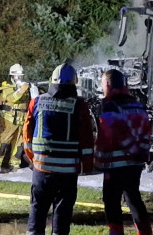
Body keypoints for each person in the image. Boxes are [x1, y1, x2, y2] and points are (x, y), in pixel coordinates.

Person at [23, 63, 94, 235]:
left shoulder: (36, 102)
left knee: (37, 210)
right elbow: (86, 138)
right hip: (67, 172)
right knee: (62, 216)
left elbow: (27, 134)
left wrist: (33, 158)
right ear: (73, 83)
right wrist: (87, 165)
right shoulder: (80, 106)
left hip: (42, 169)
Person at [95, 69, 152, 235]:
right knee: (133, 198)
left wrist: (98, 160)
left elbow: (110, 133)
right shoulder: (137, 104)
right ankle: (145, 232)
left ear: (107, 84)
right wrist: (141, 153)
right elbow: (147, 132)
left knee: (111, 201)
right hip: (135, 163)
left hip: (116, 163)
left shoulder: (110, 105)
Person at [0, 63, 30, 173]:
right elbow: (13, 99)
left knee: (20, 144)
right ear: (12, 76)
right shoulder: (7, 87)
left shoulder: (23, 87)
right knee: (4, 141)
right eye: (18, 76)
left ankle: (14, 165)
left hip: (22, 119)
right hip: (10, 119)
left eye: (21, 76)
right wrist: (21, 90)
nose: (20, 78)